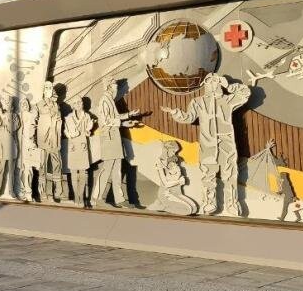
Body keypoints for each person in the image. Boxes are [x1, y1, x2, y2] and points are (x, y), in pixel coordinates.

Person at [162, 73, 250, 217]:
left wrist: (228, 86)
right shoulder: (198, 102)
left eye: (215, 80)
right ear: (205, 84)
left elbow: (245, 93)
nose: (212, 83)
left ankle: (232, 204)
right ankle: (209, 203)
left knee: (230, 175)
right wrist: (175, 112)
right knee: (208, 175)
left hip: (226, 144)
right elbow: (189, 117)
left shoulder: (227, 100)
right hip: (208, 145)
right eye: (209, 81)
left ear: (220, 82)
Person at [93, 80, 143, 208]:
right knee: (107, 169)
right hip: (109, 138)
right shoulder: (104, 100)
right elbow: (106, 120)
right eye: (115, 87)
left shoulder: (110, 100)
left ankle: (119, 199)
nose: (118, 90)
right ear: (109, 87)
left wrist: (129, 116)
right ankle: (96, 198)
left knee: (117, 170)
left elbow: (115, 117)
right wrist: (122, 122)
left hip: (114, 138)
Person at [30, 81, 64, 202]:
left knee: (57, 165)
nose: (49, 90)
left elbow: (59, 121)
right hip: (42, 141)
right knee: (42, 166)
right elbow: (32, 123)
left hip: (54, 140)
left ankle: (57, 191)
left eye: (51, 88)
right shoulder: (38, 105)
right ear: (44, 90)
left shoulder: (56, 105)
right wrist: (32, 139)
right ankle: (42, 192)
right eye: (47, 88)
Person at [146, 140, 197, 215]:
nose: (174, 154)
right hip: (167, 194)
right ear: (167, 150)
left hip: (177, 193)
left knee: (194, 209)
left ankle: (161, 204)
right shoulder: (159, 164)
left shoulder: (173, 161)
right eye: (173, 151)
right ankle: (162, 206)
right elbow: (165, 183)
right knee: (188, 211)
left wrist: (181, 178)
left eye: (175, 152)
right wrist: (179, 181)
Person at [64, 97, 95, 208]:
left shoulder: (87, 116)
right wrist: (71, 134)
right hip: (73, 146)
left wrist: (88, 130)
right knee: (73, 173)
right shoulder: (69, 118)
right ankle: (76, 198)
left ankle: (81, 198)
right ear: (73, 105)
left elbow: (88, 131)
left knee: (82, 173)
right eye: (76, 103)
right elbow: (66, 131)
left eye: (80, 102)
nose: (78, 104)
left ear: (82, 104)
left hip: (82, 145)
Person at [0, 96, 20, 198]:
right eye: (6, 103)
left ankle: (11, 191)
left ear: (12, 106)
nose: (7, 105)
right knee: (0, 169)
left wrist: (5, 116)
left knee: (11, 171)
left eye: (9, 103)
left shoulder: (15, 116)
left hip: (12, 146)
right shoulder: (1, 115)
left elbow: (14, 127)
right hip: (3, 146)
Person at [17, 97, 39, 201]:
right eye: (22, 104)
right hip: (19, 146)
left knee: (29, 169)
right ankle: (21, 190)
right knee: (21, 169)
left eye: (26, 103)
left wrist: (33, 143)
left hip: (29, 145)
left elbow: (34, 130)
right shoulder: (18, 116)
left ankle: (29, 191)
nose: (24, 105)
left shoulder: (31, 116)